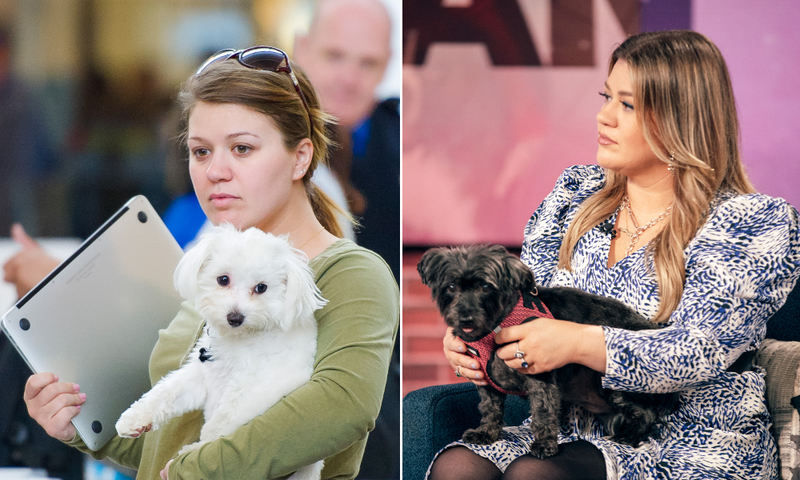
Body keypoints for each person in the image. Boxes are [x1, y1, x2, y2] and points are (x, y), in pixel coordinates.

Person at [430, 30, 800, 480]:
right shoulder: (573, 195)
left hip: (692, 439)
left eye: (626, 104)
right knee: (458, 467)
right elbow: (521, 308)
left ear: (678, 117)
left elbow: (699, 350)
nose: (603, 116)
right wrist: (482, 339)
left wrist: (578, 341)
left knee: (535, 476)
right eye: (607, 96)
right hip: (568, 430)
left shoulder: (752, 220)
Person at [18, 46, 399, 480]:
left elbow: (341, 406)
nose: (215, 171)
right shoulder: (214, 278)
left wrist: (191, 469)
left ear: (301, 157)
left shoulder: (351, 273)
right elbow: (166, 446)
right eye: (201, 152)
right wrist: (79, 427)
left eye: (241, 148)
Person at [294, 0, 400, 282]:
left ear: (387, 65)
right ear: (301, 48)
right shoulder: (246, 145)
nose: (349, 79)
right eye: (335, 56)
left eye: (368, 63)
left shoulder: (417, 156)